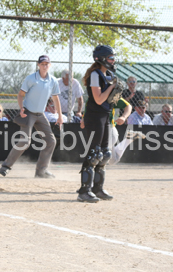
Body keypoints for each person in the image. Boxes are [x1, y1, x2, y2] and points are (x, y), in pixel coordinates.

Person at [0, 55, 63, 178]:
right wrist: (21, 108)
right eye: (42, 64)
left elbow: (56, 99)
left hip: (40, 114)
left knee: (51, 141)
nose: (45, 66)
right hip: (28, 113)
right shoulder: (31, 78)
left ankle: (41, 171)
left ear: (50, 65)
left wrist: (60, 116)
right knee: (24, 142)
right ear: (38, 65)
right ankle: (6, 166)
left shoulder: (53, 80)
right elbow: (20, 95)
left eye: (47, 64)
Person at [77, 45, 122, 203]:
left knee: (105, 154)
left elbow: (109, 101)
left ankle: (98, 188)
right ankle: (84, 191)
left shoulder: (109, 74)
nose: (113, 60)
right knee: (94, 153)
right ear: (101, 59)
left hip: (105, 116)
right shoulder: (95, 75)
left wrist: (116, 93)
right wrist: (111, 87)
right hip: (94, 117)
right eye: (110, 57)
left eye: (113, 57)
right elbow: (98, 99)